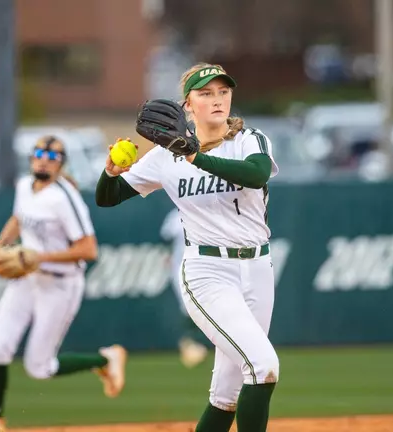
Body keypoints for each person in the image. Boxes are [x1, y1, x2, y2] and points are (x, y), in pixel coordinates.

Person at [96, 63, 280, 432]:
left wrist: (196, 155)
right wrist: (110, 173)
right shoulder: (166, 156)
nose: (217, 100)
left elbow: (256, 174)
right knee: (262, 366)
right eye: (206, 93)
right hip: (207, 272)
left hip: (258, 270)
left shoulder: (249, 139)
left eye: (223, 92)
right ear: (187, 105)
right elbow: (108, 198)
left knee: (226, 396)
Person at [0, 136, 127, 432]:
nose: (44, 159)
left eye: (52, 156)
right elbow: (19, 218)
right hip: (28, 280)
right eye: (39, 153)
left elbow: (89, 250)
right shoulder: (23, 186)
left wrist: (38, 257)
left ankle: (104, 359)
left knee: (39, 368)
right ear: (31, 158)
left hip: (60, 285)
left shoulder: (64, 197)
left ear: (60, 163)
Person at [159, 209, 210, 369]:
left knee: (204, 305)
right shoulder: (176, 215)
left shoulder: (206, 212)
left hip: (205, 265)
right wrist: (167, 255)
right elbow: (166, 238)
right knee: (188, 306)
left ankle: (195, 342)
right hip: (181, 266)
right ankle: (190, 344)